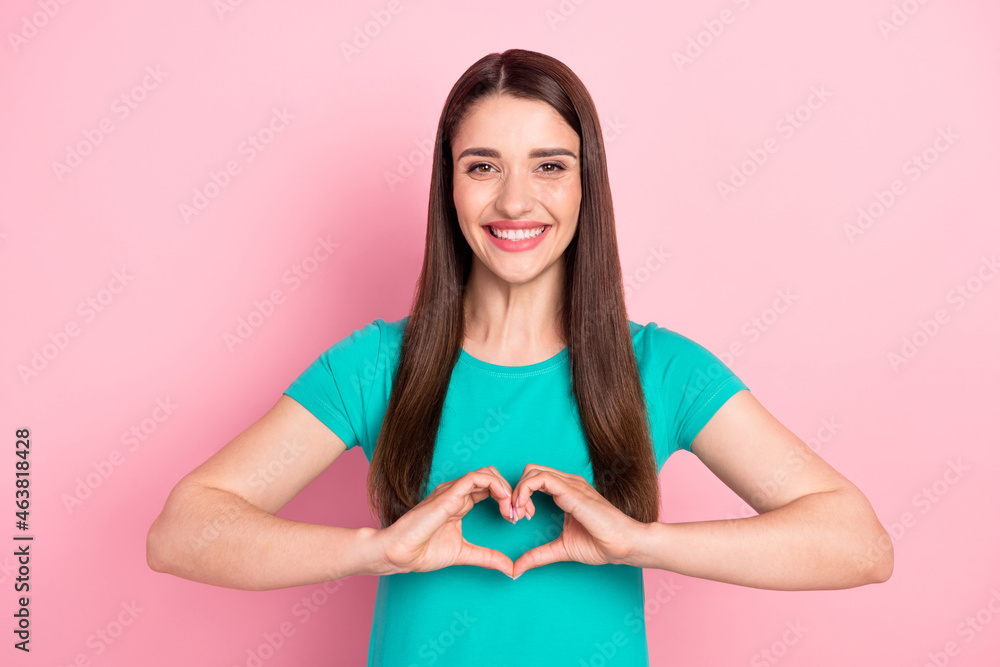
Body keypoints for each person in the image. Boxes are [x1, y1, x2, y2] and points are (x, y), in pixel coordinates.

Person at [146, 48, 893, 665]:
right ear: (449, 186)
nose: (514, 201)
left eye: (548, 166)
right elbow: (183, 531)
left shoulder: (660, 369)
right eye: (482, 166)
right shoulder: (378, 364)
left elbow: (857, 543)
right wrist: (377, 550)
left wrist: (645, 542)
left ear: (584, 184)